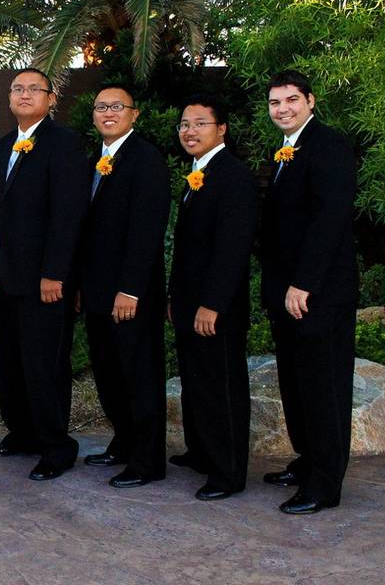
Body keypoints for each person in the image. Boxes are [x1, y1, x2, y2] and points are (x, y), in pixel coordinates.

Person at [0, 68, 90, 481]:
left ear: (50, 98)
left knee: (45, 363)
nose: (25, 95)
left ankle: (56, 446)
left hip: (45, 280)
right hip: (6, 279)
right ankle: (22, 433)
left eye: (34, 90)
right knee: (11, 361)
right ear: (9, 98)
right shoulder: (4, 145)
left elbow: (69, 213)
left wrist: (55, 272)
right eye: (18, 89)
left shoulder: (65, 143)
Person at [259, 70, 357, 515]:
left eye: (291, 100)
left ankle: (324, 484)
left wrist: (305, 283)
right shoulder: (284, 151)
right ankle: (307, 460)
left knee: (322, 386)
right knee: (296, 383)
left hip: (318, 293)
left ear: (310, 101)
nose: (283, 108)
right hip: (286, 294)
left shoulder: (329, 145)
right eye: (276, 102)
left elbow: (330, 218)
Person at [80, 84, 170, 488]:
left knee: (139, 375)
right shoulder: (97, 160)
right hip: (98, 292)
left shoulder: (145, 159)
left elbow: (146, 232)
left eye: (117, 106)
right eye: (101, 107)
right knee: (109, 373)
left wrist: (130, 289)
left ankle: (147, 460)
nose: (108, 113)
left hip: (130, 294)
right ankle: (123, 442)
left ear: (134, 114)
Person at [168, 93, 258, 501]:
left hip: (216, 306)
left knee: (221, 386)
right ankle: (203, 451)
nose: (189, 131)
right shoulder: (198, 172)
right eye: (185, 124)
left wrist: (213, 303)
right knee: (197, 382)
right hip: (190, 302)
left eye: (199, 123)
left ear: (221, 129)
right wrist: (176, 298)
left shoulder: (233, 175)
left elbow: (232, 248)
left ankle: (228, 472)